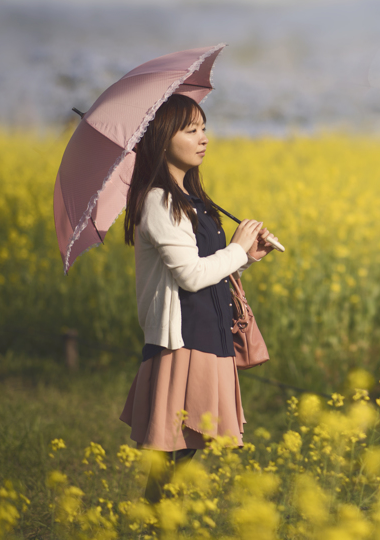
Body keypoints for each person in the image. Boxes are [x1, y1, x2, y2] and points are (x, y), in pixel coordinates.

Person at [118, 93, 277, 503]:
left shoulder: (194, 202)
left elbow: (208, 268)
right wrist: (238, 249)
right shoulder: (158, 201)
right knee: (173, 454)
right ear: (163, 139)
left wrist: (246, 259)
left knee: (183, 453)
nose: (203, 138)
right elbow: (190, 277)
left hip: (209, 337)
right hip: (182, 344)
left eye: (204, 128)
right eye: (191, 130)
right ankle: (155, 525)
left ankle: (156, 523)